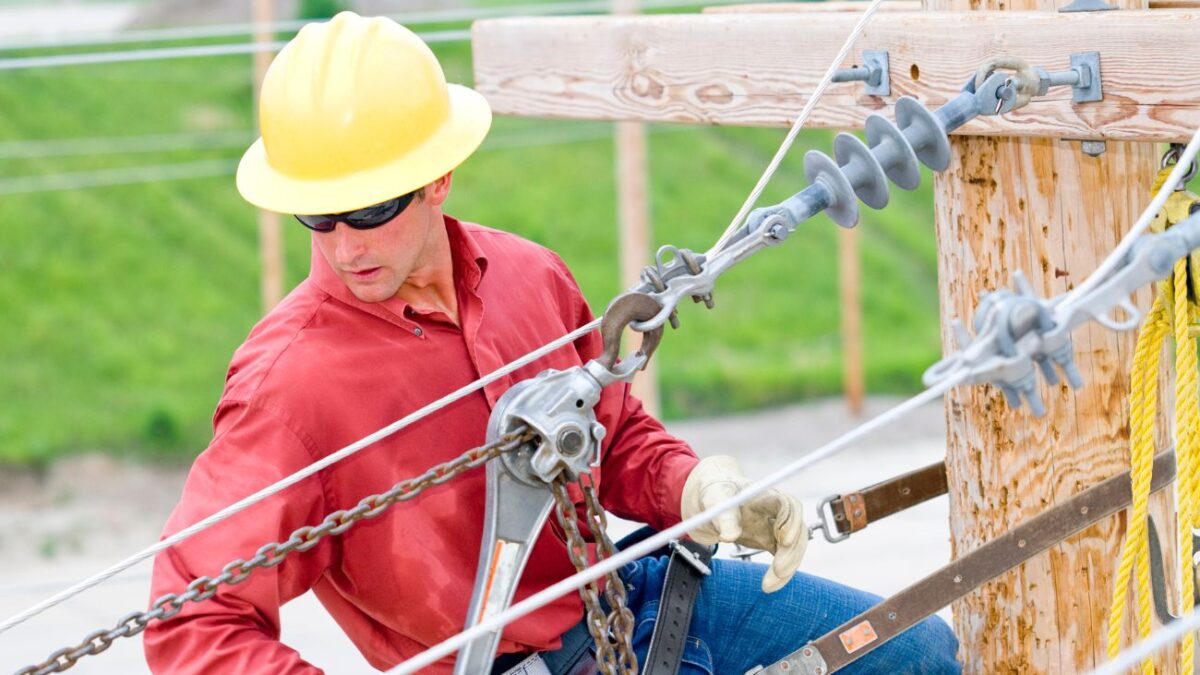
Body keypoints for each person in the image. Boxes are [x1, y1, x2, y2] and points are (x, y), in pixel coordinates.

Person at [145, 11, 960, 674]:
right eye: (316, 215)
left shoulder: (525, 276)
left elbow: (612, 434)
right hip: (508, 664)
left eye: (368, 211)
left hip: (636, 600)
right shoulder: (289, 383)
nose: (343, 245)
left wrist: (695, 487)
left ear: (438, 177)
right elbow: (190, 623)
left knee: (922, 654)